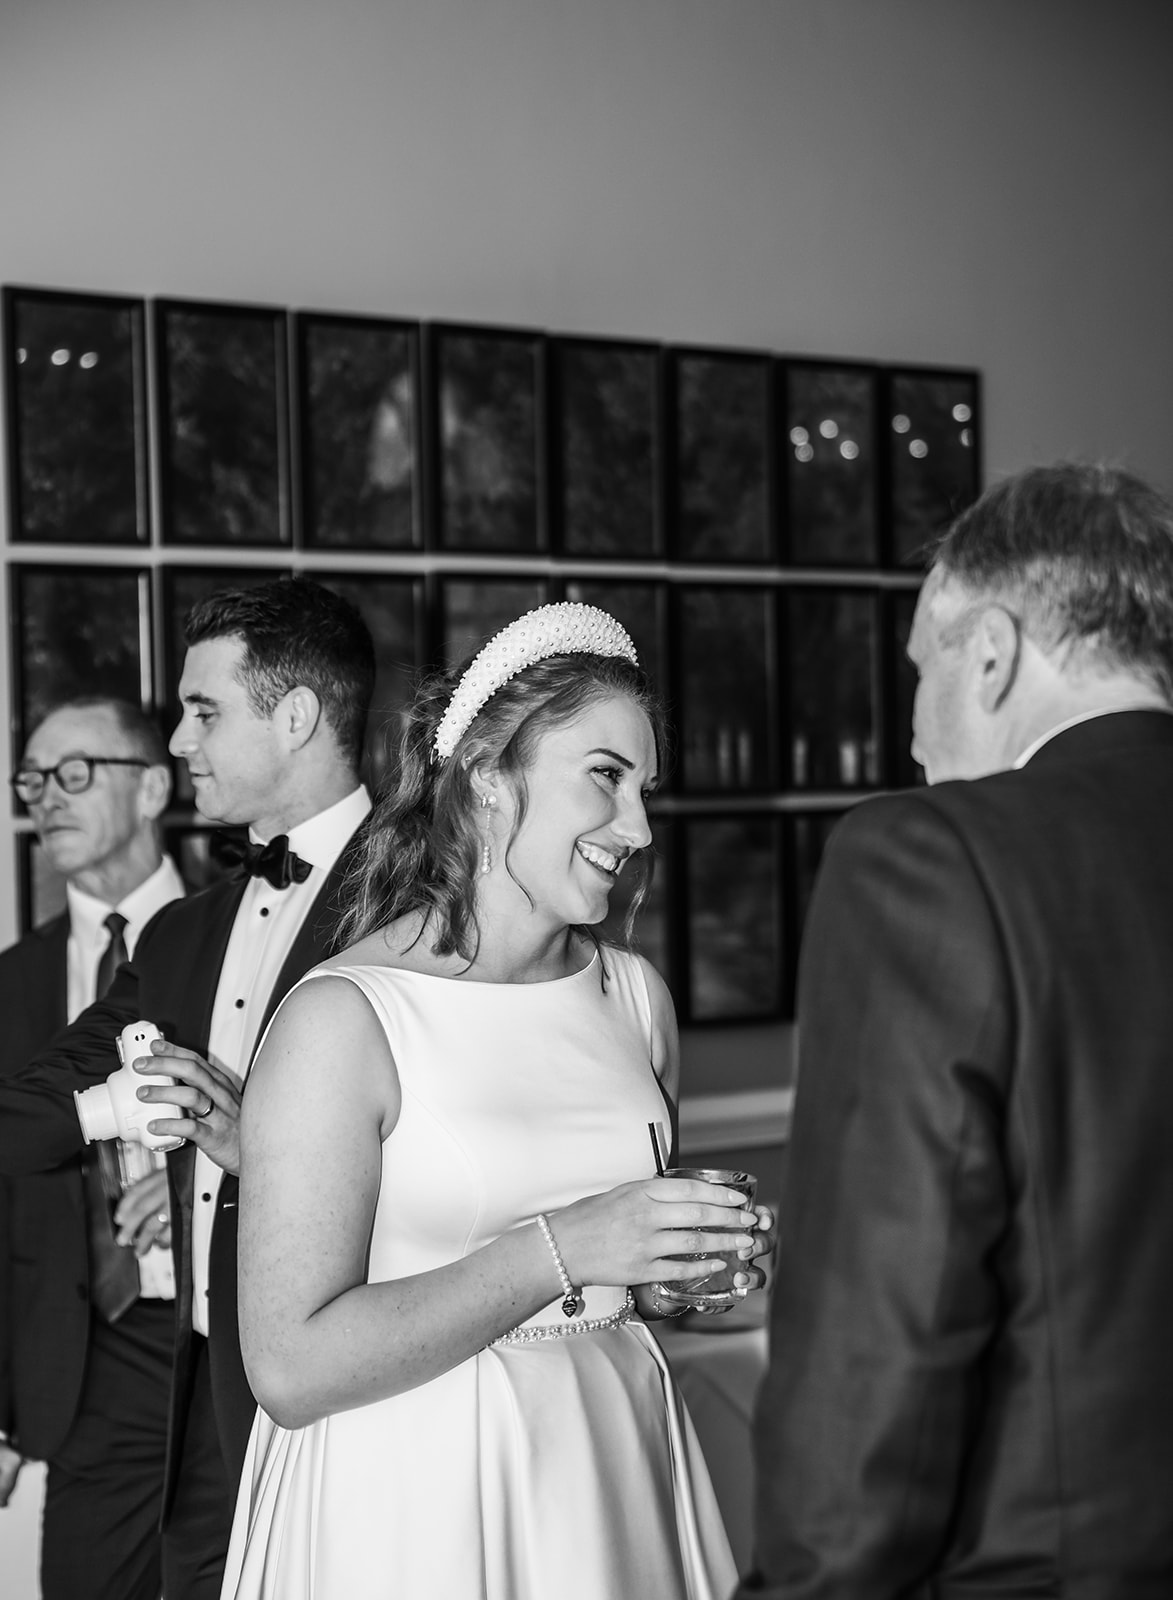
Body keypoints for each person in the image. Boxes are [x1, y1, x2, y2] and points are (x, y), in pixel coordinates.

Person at [219, 602, 772, 1600]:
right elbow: (290, 1367)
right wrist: (567, 1244)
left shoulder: (636, 1000)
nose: (638, 827)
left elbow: (618, 1285)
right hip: (413, 1495)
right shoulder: (344, 1021)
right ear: (485, 774)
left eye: (645, 788)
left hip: (610, 1469)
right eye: (604, 776)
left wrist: (676, 1268)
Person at [737, 461, 1173, 1599]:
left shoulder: (935, 860)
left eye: (920, 672)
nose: (918, 737)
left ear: (991, 652)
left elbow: (887, 1324)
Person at [0, 576, 376, 1600]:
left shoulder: (422, 901)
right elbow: (30, 1102)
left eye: (203, 712)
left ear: (295, 717)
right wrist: (109, 1109)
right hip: (195, 1398)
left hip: (357, 1405)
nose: (177, 741)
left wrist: (273, 1145)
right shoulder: (185, 933)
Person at [0, 697, 182, 1600]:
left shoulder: (245, 943)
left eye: (75, 773)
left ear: (153, 786)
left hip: (237, 1343)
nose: (47, 798)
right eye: (34, 779)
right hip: (87, 1367)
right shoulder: (9, 984)